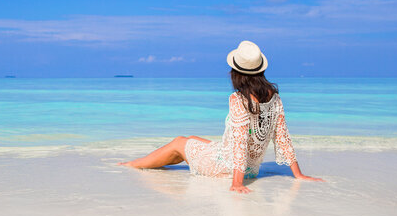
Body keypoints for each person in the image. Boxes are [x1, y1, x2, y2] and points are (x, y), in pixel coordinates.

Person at [119, 40, 324, 193]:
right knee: (192, 140)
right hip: (250, 170)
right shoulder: (274, 98)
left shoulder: (239, 99)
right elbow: (283, 138)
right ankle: (147, 164)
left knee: (179, 143)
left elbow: (241, 142)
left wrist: (236, 183)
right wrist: (298, 174)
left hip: (228, 169)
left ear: (236, 72)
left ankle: (133, 165)